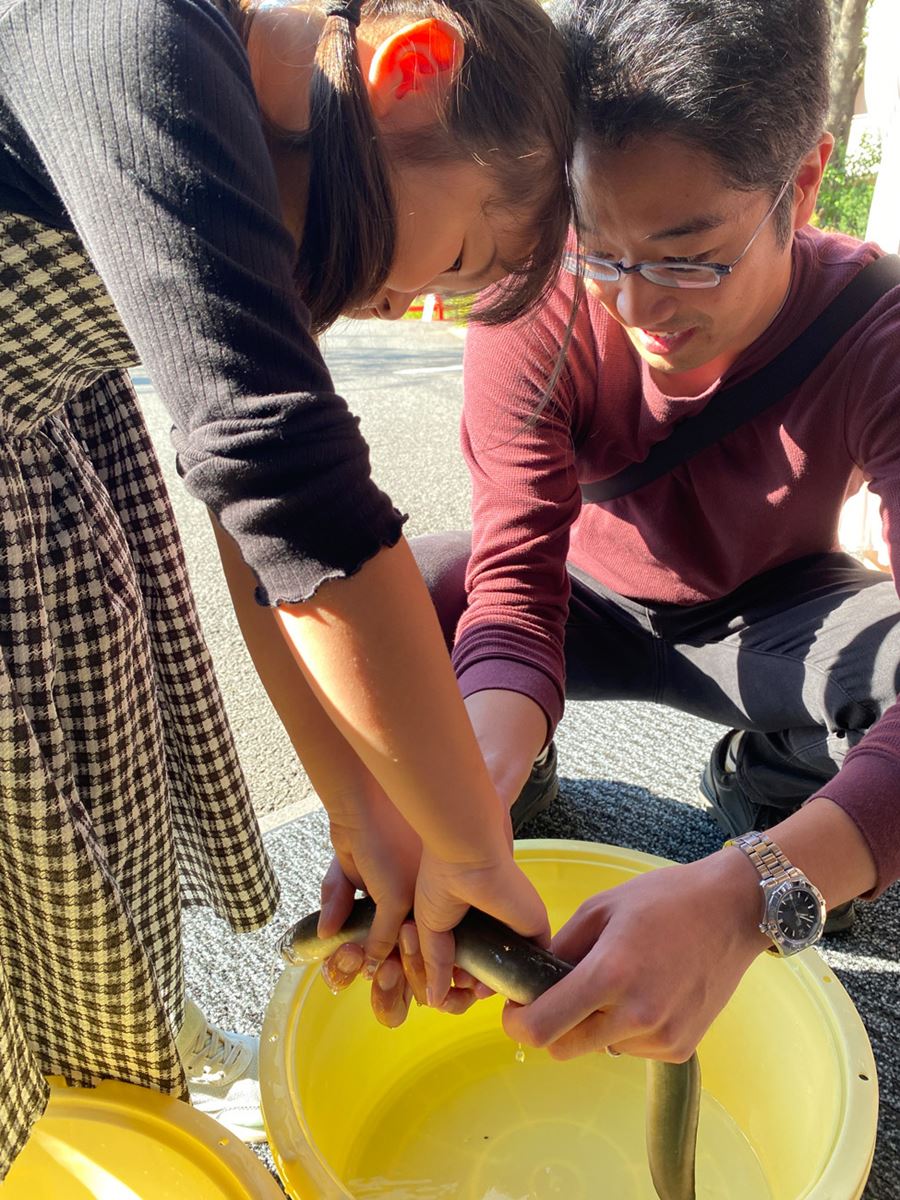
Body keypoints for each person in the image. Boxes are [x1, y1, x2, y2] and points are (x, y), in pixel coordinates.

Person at [0, 0, 573, 1173]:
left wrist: (372, 820)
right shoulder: (141, 38)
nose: (412, 302)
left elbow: (263, 541)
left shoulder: (256, 176)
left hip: (31, 465)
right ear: (415, 67)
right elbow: (289, 488)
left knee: (78, 856)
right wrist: (474, 851)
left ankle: (112, 1072)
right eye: (459, 258)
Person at [408, 0, 900, 1062]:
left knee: (889, 668)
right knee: (397, 608)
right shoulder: (532, 294)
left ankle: (775, 794)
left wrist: (755, 894)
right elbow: (516, 577)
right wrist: (465, 791)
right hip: (582, 593)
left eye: (689, 259)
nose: (636, 308)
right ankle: (520, 787)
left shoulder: (878, 327)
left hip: (772, 615)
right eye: (600, 251)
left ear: (803, 182)